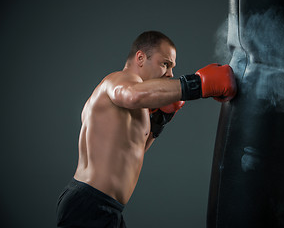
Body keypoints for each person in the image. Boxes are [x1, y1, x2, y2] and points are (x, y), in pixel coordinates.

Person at [56, 31, 237, 228]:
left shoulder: (140, 105)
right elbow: (131, 94)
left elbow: (133, 152)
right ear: (140, 58)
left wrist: (160, 120)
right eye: (165, 64)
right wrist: (197, 85)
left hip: (109, 208)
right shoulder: (118, 80)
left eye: (172, 67)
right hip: (90, 204)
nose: (170, 73)